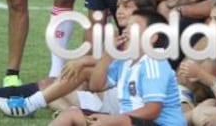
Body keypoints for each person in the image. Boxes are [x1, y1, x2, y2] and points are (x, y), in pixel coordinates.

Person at [0, 0, 156, 112]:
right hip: (110, 92)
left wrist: (84, 62)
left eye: (127, 7)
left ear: (143, 11)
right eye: (119, 6)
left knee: (58, 86)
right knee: (55, 87)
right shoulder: (122, 34)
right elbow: (106, 73)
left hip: (122, 99)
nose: (119, 11)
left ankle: (24, 105)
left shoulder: (147, 38)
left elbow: (113, 74)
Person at [48, 9, 186, 126]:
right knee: (71, 115)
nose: (125, 31)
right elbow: (96, 86)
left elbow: (152, 110)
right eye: (126, 26)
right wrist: (108, 55)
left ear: (152, 38)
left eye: (134, 27)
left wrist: (114, 120)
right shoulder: (126, 60)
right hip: (130, 120)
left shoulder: (154, 62)